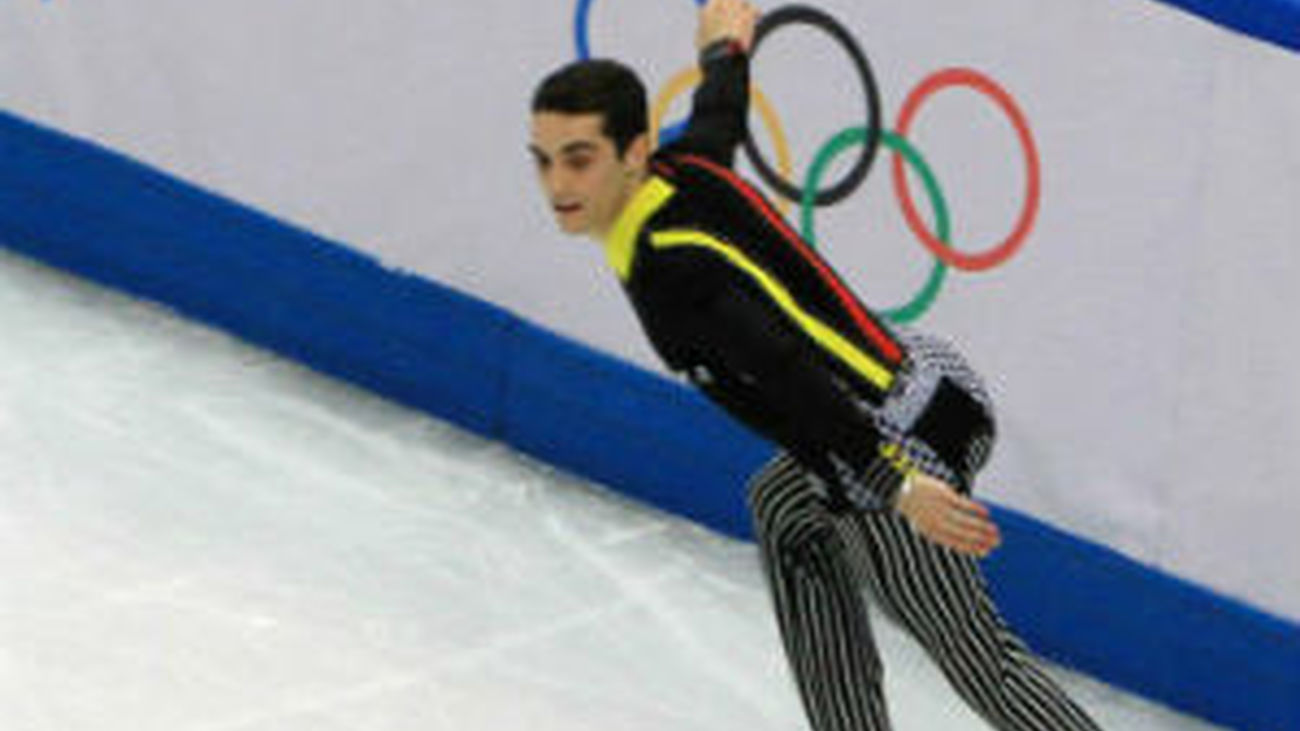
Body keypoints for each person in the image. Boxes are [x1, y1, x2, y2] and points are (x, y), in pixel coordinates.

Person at [527, 1, 1103, 728]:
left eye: (579, 159)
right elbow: (720, 114)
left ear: (632, 151)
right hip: (935, 373)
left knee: (977, 659)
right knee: (783, 506)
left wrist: (895, 484)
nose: (557, 185)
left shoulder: (670, 274)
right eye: (544, 159)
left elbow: (786, 367)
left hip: (893, 440)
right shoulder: (685, 168)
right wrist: (725, 51)